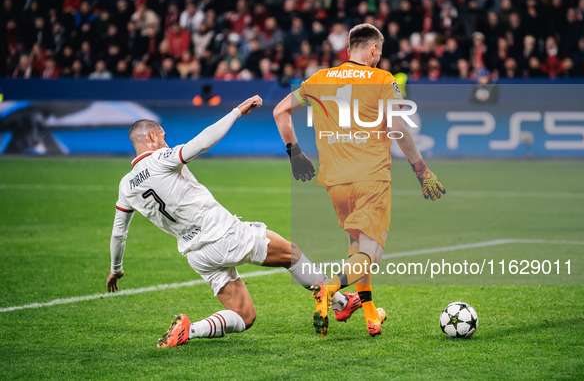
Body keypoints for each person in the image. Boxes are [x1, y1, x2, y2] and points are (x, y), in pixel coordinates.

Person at [106, 96, 358, 347]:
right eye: (162, 137)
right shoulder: (162, 159)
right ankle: (341, 304)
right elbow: (202, 142)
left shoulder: (125, 185)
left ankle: (190, 330)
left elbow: (119, 233)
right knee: (291, 254)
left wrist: (116, 269)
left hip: (196, 254)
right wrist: (237, 111)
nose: (165, 141)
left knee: (244, 316)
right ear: (151, 136)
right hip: (223, 235)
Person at [272, 24, 446, 337]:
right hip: (372, 179)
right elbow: (398, 129)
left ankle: (370, 314)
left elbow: (280, 111)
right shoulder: (382, 79)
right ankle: (328, 289)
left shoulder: (319, 79)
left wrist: (295, 154)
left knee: (356, 245)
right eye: (379, 52)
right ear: (373, 50)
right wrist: (421, 169)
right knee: (372, 256)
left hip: (335, 183)